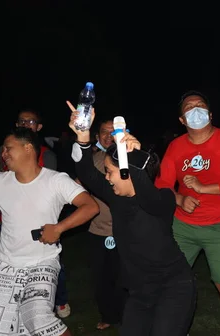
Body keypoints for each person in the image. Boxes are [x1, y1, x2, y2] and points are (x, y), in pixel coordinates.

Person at [68, 102, 196, 335]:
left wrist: (133, 157)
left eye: (110, 172)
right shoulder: (115, 197)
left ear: (128, 171)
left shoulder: (163, 199)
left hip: (174, 287)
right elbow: (86, 172)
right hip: (140, 292)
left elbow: (146, 197)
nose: (106, 178)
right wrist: (83, 136)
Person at [0, 127, 99, 336]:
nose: (4, 154)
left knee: (39, 320)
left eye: (8, 149)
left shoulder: (55, 180)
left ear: (28, 148)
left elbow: (90, 206)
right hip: (5, 264)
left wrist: (59, 228)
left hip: (42, 262)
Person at [154, 91, 220, 336]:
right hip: (183, 226)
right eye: (189, 107)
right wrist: (178, 198)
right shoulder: (176, 147)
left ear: (210, 113)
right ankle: (175, 329)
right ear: (182, 120)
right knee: (172, 282)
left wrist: (202, 188)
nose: (195, 109)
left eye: (200, 105)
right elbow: (162, 183)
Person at [82, 118, 126, 330]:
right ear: (97, 137)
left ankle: (126, 315)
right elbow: (78, 188)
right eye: (104, 132)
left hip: (125, 231)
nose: (109, 136)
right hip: (97, 230)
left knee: (124, 277)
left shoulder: (130, 159)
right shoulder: (91, 161)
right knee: (101, 278)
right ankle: (108, 315)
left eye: (113, 132)